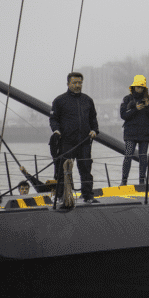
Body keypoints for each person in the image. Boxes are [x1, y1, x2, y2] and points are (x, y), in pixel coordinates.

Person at [50, 72, 99, 204]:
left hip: (84, 141)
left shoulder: (87, 100)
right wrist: (56, 131)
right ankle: (61, 196)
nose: (78, 85)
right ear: (68, 84)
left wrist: (94, 130)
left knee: (86, 169)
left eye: (80, 83)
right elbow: (53, 119)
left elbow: (93, 118)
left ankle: (87, 195)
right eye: (75, 83)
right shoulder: (59, 101)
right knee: (63, 169)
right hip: (66, 141)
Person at [119, 74, 149, 186]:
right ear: (133, 87)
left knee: (143, 157)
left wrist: (148, 106)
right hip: (130, 134)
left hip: (145, 133)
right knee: (128, 155)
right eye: (137, 87)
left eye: (141, 87)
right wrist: (135, 109)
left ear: (144, 88)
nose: (139, 89)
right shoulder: (127, 99)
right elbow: (123, 115)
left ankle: (142, 181)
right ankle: (124, 181)